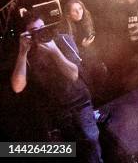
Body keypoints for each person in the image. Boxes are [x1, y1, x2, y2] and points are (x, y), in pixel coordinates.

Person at [11, 12, 103, 162]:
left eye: (42, 28)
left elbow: (73, 74)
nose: (40, 33)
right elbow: (17, 87)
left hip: (79, 101)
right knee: (72, 150)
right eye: (35, 31)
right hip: (57, 110)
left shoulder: (62, 40)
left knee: (91, 140)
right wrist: (22, 53)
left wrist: (54, 51)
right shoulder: (28, 52)